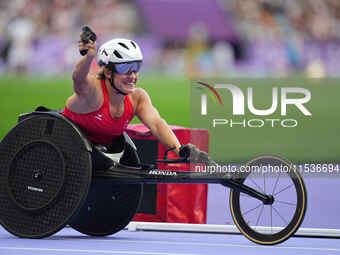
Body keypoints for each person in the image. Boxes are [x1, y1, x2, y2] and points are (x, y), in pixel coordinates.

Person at [62, 30, 208, 169]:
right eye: (125, 68)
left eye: (136, 68)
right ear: (107, 72)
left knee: (130, 163)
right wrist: (89, 56)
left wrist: (181, 151)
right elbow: (78, 79)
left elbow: (157, 125)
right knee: (104, 163)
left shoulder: (137, 98)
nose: (132, 76)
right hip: (65, 147)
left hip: (100, 148)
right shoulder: (93, 90)